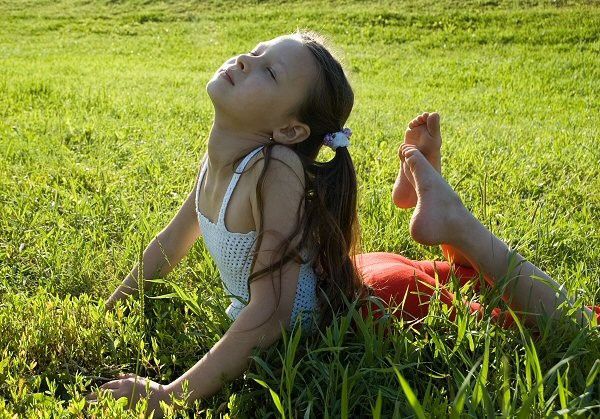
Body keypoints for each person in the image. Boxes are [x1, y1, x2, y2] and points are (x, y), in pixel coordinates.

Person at [86, 31, 363, 416]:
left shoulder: (275, 169)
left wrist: (167, 397)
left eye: (269, 73)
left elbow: (273, 313)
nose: (246, 61)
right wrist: (109, 311)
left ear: (289, 130)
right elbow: (171, 242)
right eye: (255, 52)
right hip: (252, 320)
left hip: (294, 341)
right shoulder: (221, 158)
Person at [356, 112, 599, 328]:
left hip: (365, 280)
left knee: (475, 280)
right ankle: (450, 215)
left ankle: (442, 208)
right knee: (573, 322)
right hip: (369, 278)